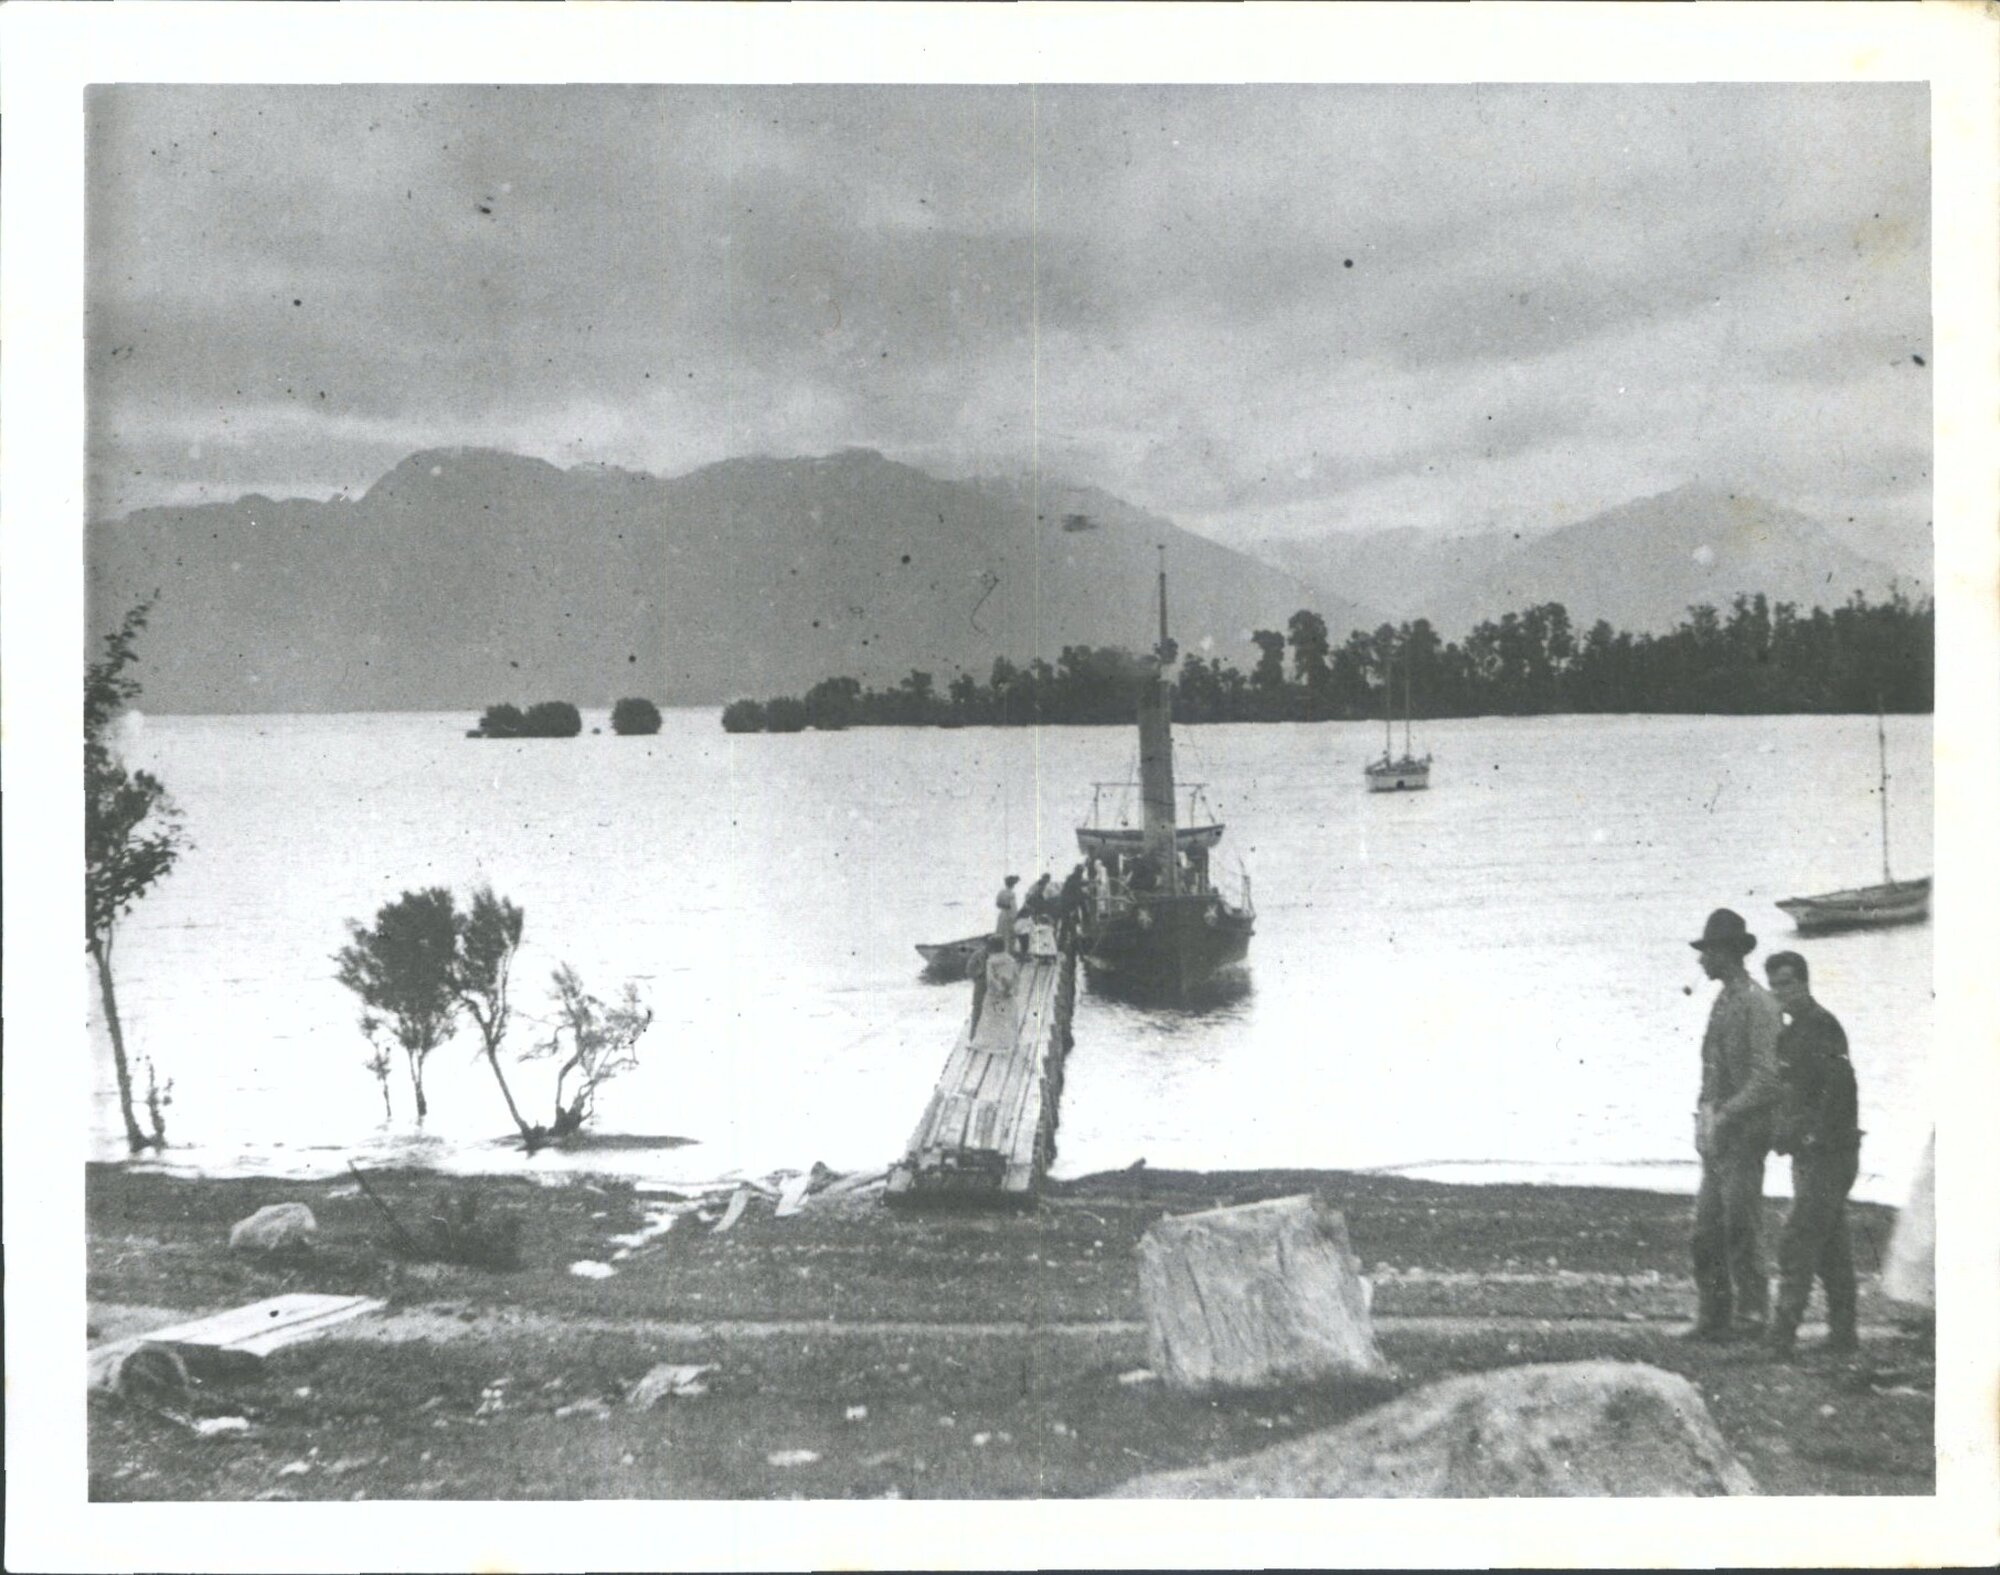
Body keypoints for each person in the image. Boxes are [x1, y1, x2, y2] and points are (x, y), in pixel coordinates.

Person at [1685, 907, 1783, 1341]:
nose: (1702, 960)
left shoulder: (1759, 1004)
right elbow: (1712, 1069)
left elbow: (1767, 1077)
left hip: (1745, 1134)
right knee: (1706, 1230)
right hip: (1720, 1134)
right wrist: (1704, 1118)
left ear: (1726, 953)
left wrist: (1725, 1114)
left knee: (1742, 1225)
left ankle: (1752, 1315)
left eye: (1707, 952)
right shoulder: (1723, 1001)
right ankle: (1715, 1315)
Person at [1763, 951, 1861, 1359]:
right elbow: (1790, 1094)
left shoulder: (1822, 1026)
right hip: (1813, 1154)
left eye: (1787, 983)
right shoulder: (1790, 1033)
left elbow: (1840, 1090)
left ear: (1804, 983)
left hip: (1830, 1153)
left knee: (1798, 1240)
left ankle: (1781, 1338)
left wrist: (1810, 1136)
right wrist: (1785, 1133)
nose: (1781, 992)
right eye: (1775, 985)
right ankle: (1843, 1335)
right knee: (1831, 1245)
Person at [992, 874, 1020, 944]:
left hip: (1002, 914)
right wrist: (1015, 916)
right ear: (1013, 885)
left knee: (1001, 931)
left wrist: (1004, 907)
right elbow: (1013, 907)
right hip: (1009, 914)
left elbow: (997, 904)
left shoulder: (1001, 892)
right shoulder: (1011, 894)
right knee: (1009, 932)